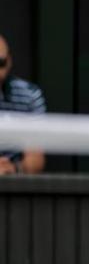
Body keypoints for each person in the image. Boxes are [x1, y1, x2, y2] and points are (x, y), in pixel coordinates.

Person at [0, 34, 45, 174]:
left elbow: (36, 158)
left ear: (9, 61)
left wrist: (14, 168)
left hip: (12, 184)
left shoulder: (28, 94)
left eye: (0, 63)